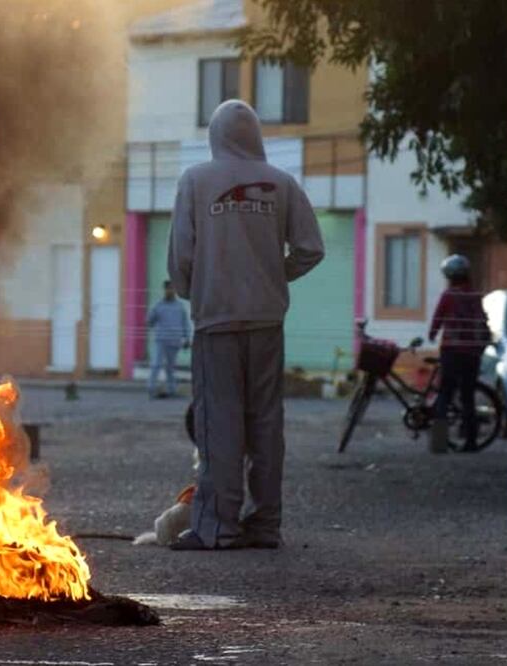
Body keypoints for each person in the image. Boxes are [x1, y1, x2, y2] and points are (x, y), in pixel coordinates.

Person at [166, 99, 324, 550]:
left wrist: (193, 288)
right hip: (267, 321)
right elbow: (311, 249)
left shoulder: (196, 180)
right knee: (266, 424)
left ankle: (218, 527)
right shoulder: (282, 183)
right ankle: (266, 524)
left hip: (216, 320)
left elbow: (181, 255)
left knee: (220, 422)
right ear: (256, 135)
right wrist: (275, 274)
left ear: (215, 135)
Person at [428, 254, 491, 453]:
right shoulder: (475, 295)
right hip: (472, 353)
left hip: (452, 351)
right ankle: (471, 442)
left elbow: (437, 319)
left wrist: (432, 334)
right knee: (467, 397)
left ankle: (439, 443)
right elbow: (481, 321)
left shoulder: (449, 295)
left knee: (445, 394)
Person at [146, 280, 191, 398]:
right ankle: (151, 388)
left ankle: (172, 390)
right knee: (156, 364)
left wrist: (187, 338)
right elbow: (149, 322)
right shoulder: (158, 305)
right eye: (168, 289)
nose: (170, 291)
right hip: (161, 340)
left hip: (174, 341)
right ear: (164, 290)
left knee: (170, 367)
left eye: (172, 288)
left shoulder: (180, 306)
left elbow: (185, 323)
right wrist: (151, 319)